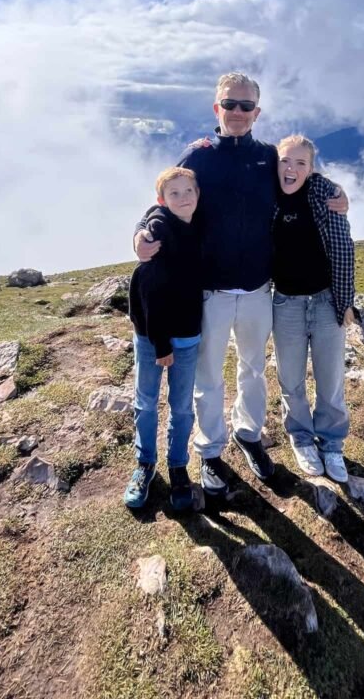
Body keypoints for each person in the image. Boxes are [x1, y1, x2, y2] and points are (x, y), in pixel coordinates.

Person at [134, 72, 348, 498]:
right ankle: (210, 451)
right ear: (217, 109)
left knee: (253, 369)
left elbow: (301, 178)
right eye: (229, 104)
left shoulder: (268, 157)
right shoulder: (198, 156)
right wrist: (141, 230)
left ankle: (248, 435)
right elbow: (166, 194)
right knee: (208, 377)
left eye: (245, 106)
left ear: (257, 112)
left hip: (256, 290)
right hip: (210, 291)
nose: (237, 112)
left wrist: (339, 193)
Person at [271, 135, 354, 483]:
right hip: (285, 302)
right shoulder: (265, 197)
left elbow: (343, 249)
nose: (291, 169)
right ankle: (301, 437)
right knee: (290, 379)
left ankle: (332, 444)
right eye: (285, 161)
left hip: (324, 300)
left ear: (311, 168)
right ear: (275, 163)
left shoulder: (324, 196)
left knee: (330, 379)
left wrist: (346, 301)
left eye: (300, 163)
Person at [125, 167, 202, 511]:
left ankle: (177, 465)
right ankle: (145, 464)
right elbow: (150, 289)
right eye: (174, 194)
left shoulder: (199, 223)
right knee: (146, 402)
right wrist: (161, 345)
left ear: (198, 195)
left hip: (188, 334)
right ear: (161, 200)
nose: (183, 198)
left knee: (182, 407)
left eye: (189, 191)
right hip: (154, 337)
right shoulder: (158, 228)